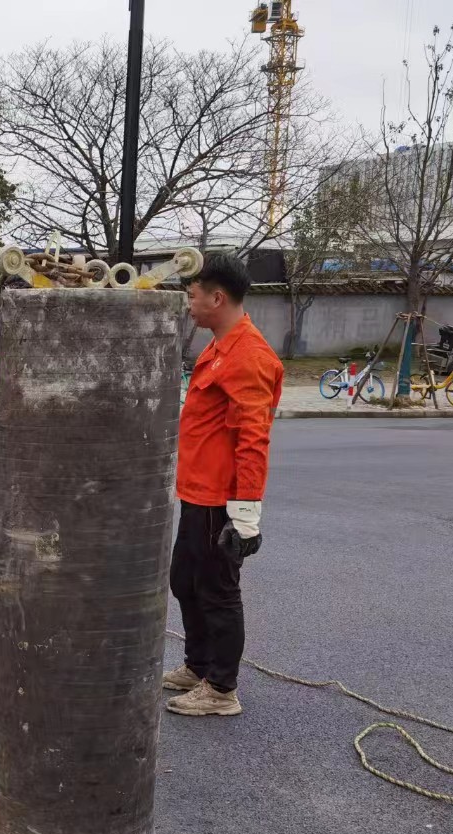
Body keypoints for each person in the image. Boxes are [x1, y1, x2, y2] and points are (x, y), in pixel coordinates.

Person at [164, 252, 283, 717]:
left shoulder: (248, 357)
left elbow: (253, 439)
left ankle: (220, 689)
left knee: (217, 592)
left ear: (217, 297)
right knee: (185, 583)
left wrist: (246, 513)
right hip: (196, 493)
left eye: (193, 296)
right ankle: (198, 665)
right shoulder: (217, 347)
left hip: (219, 499)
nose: (189, 304)